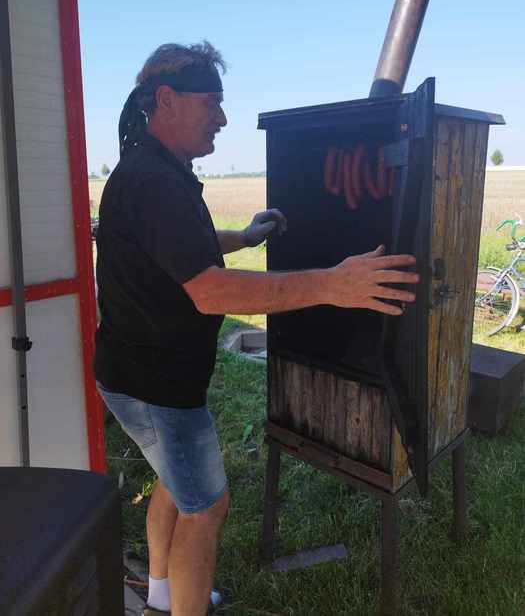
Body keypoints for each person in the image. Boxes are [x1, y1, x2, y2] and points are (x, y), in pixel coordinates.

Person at [93, 41, 418, 616]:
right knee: (205, 507)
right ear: (166, 100)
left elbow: (180, 251)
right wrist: (333, 284)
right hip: (154, 384)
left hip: (140, 374)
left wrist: (243, 238)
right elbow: (211, 290)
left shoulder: (153, 168)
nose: (222, 118)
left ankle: (163, 598)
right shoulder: (154, 180)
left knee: (174, 482)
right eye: (212, 102)